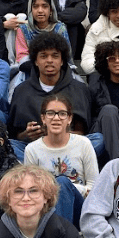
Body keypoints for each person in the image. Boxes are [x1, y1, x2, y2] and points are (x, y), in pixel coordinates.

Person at [8, 31, 99, 161]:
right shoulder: (21, 90)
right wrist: (27, 134)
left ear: (62, 61)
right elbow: (16, 135)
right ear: (36, 61)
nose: (49, 61)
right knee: (8, 145)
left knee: (98, 140)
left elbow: (83, 133)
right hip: (34, 150)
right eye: (44, 56)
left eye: (55, 56)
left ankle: (45, 167)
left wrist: (56, 133)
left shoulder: (79, 89)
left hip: (70, 149)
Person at [24, 94, 98, 225]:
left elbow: (94, 188)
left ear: (69, 119)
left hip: (80, 210)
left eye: (62, 114)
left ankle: (61, 237)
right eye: (51, 113)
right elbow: (31, 191)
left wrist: (66, 187)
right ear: (43, 118)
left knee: (63, 183)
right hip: (47, 211)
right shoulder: (32, 149)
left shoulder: (84, 144)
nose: (56, 118)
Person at [15, 0, 70, 69]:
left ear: (51, 10)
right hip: (30, 68)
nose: (40, 10)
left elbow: (65, 55)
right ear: (31, 10)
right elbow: (22, 56)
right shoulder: (23, 29)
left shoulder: (60, 28)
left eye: (44, 6)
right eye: (35, 6)